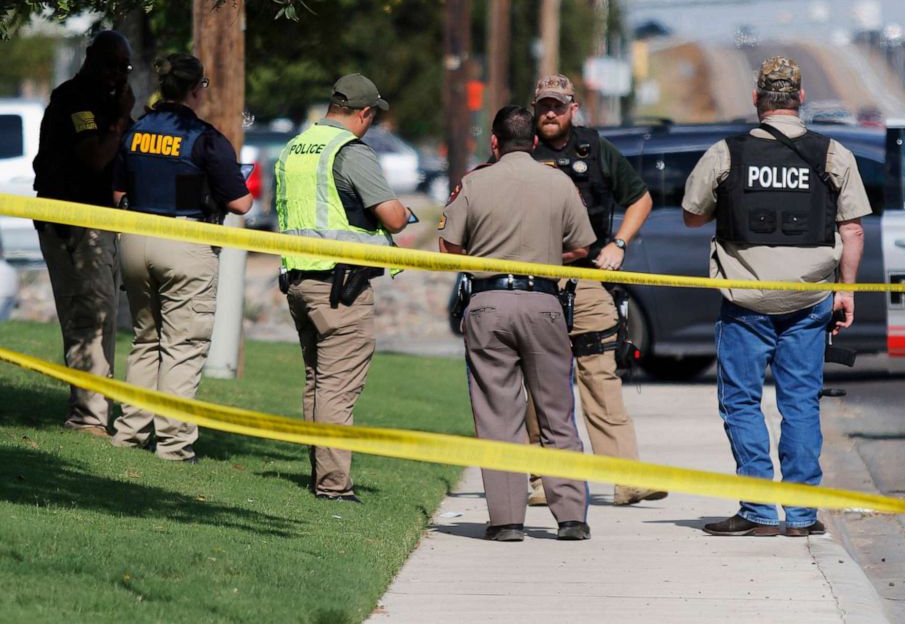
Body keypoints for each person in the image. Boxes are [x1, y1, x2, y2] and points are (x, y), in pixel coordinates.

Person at [682, 56, 870, 537]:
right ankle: (802, 516)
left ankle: (758, 510)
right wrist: (845, 293)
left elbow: (692, 215)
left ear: (757, 99)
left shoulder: (727, 153)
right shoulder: (832, 154)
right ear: (800, 99)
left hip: (744, 302)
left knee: (742, 403)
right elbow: (852, 230)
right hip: (809, 301)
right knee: (801, 403)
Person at [439, 105, 595, 542]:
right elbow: (583, 246)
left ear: (494, 142)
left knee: (497, 416)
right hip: (544, 303)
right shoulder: (559, 183)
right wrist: (546, 257)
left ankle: (507, 521)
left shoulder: (473, 182)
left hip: (488, 303)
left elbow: (448, 245)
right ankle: (571, 518)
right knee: (556, 414)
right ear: (534, 142)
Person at [527, 74, 665, 507]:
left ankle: (627, 479)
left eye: (558, 105)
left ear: (573, 108)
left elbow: (640, 199)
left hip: (588, 281)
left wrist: (618, 244)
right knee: (539, 383)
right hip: (536, 282)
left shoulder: (596, 149)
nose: (550, 113)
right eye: (544, 106)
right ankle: (539, 480)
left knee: (600, 377)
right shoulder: (521, 149)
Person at [110, 54, 252, 462]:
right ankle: (173, 445)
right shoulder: (204, 137)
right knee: (183, 345)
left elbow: (118, 193)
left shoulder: (136, 130)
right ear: (196, 89)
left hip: (135, 240)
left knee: (145, 341)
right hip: (185, 243)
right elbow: (240, 204)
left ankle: (130, 432)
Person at [276, 73, 409, 502]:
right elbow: (392, 217)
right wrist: (404, 212)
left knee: (318, 382)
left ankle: (320, 473)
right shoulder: (350, 151)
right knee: (338, 388)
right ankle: (333, 485)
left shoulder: (296, 146)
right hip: (340, 287)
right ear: (364, 112)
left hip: (298, 279)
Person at [32, 30, 135, 437]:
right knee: (87, 317)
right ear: (92, 59)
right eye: (112, 65)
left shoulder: (109, 103)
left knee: (103, 316)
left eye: (124, 67)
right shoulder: (74, 99)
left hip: (101, 222)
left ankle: (96, 411)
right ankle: (86, 418)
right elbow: (93, 156)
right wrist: (123, 119)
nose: (118, 75)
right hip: (71, 224)